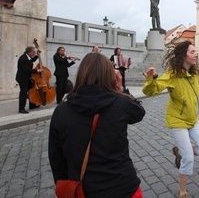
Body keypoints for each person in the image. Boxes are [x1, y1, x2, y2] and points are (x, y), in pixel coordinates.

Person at [49, 52, 145, 198]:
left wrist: (65, 186)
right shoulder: (120, 103)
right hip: (123, 187)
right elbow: (138, 113)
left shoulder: (62, 110)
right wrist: (121, 88)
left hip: (84, 190)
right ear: (109, 75)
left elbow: (56, 158)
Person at [142, 40, 199, 198]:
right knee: (188, 158)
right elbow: (151, 91)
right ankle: (182, 190)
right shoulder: (172, 75)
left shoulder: (195, 73)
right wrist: (150, 79)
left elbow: (198, 88)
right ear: (183, 56)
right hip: (177, 120)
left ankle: (180, 151)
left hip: (193, 119)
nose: (196, 54)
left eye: (195, 52)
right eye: (192, 52)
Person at [15, 46, 43, 114]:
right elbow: (27, 70)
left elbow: (32, 60)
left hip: (28, 78)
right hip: (22, 78)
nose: (34, 52)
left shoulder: (28, 57)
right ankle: (21, 108)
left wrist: (37, 55)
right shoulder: (23, 59)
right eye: (34, 51)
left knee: (31, 91)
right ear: (29, 52)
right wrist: (37, 70)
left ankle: (32, 105)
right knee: (23, 93)